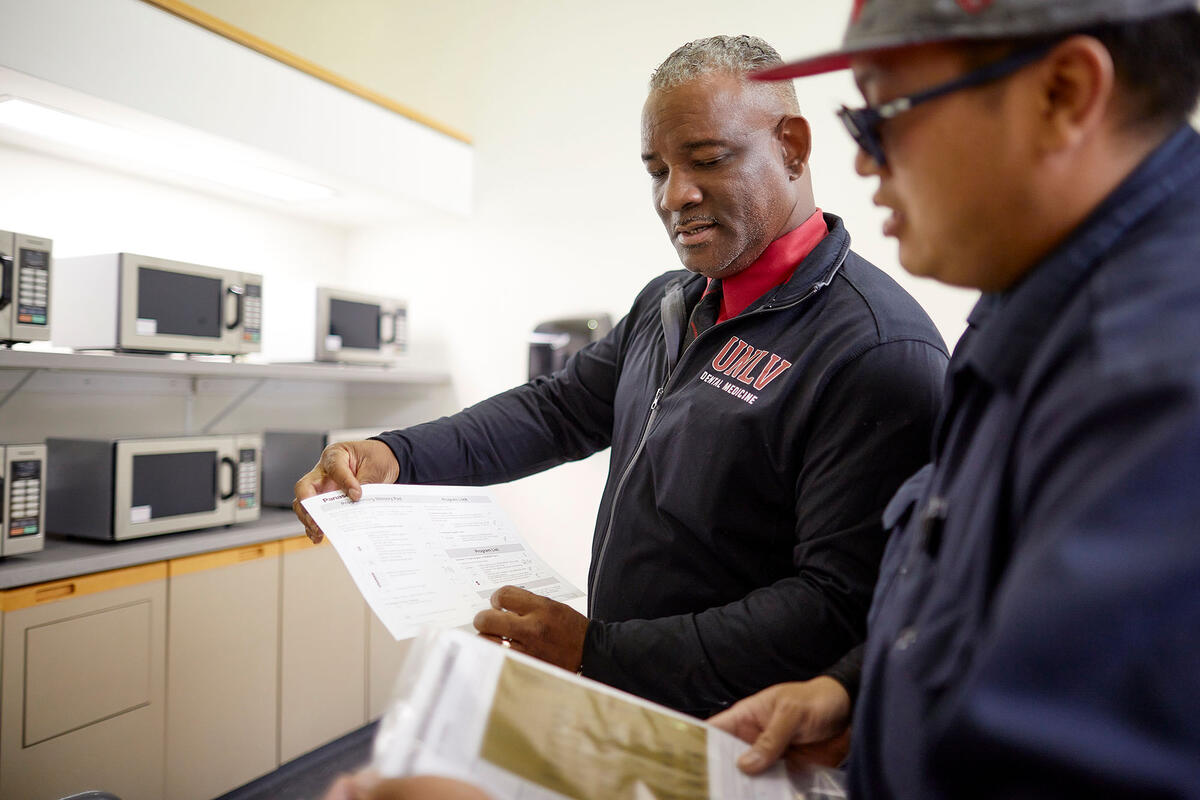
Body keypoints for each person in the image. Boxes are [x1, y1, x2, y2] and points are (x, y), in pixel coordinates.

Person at [296, 34, 947, 720]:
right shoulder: (672, 300)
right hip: (625, 696)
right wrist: (396, 455)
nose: (676, 196)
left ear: (792, 145)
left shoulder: (875, 349)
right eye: (656, 170)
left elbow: (834, 607)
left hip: (742, 730)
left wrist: (595, 650)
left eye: (707, 160)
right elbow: (557, 411)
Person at [710, 1, 1200, 797]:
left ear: (1064, 94)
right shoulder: (1032, 298)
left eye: (881, 118)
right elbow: (977, 577)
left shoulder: (1157, 385)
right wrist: (855, 694)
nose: (865, 163)